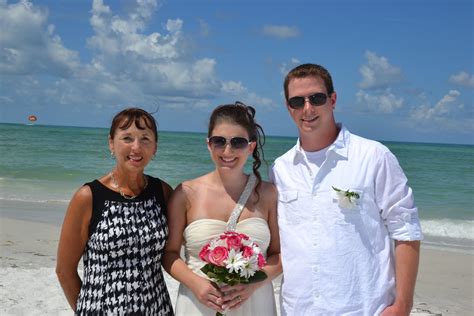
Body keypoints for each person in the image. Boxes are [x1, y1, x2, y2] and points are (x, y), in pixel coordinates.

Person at [270, 63, 423, 315]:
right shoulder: (280, 169)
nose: (307, 108)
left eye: (316, 98)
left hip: (364, 307)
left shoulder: (373, 156)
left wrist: (403, 305)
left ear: (333, 100)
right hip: (298, 308)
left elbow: (406, 228)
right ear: (289, 108)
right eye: (297, 102)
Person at [163, 102, 281, 315]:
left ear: (251, 146)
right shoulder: (186, 192)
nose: (228, 151)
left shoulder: (268, 193)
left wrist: (252, 285)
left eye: (238, 142)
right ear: (209, 144)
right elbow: (169, 254)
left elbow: (280, 255)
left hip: (255, 303)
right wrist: (197, 284)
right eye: (219, 141)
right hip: (199, 303)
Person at [56, 108, 174, 315]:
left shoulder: (162, 192)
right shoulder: (89, 196)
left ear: (155, 147)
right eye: (127, 138)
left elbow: (175, 252)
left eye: (145, 139)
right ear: (111, 143)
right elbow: (64, 271)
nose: (136, 147)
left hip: (157, 309)